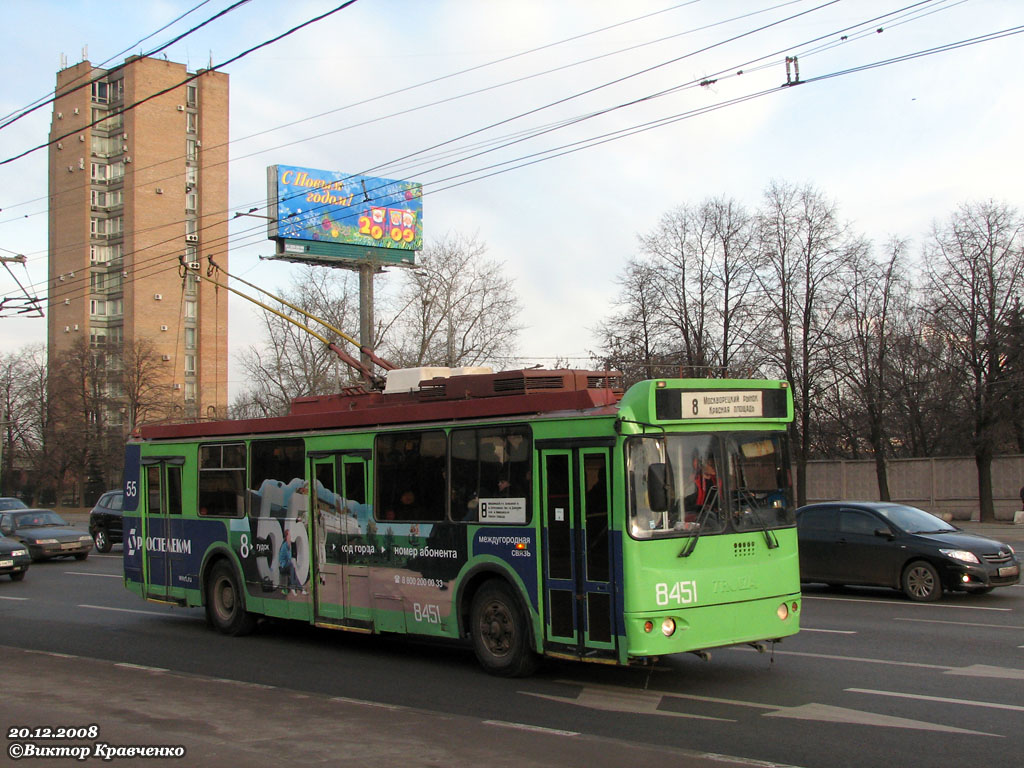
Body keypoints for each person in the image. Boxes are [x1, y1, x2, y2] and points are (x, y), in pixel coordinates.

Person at [278, 528, 306, 595]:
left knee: (293, 571)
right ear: (287, 536)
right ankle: (294, 588)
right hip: (282, 567)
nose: (290, 536)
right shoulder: (285, 546)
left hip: (286, 566)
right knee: (291, 566)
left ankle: (300, 589)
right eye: (289, 535)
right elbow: (287, 559)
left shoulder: (288, 545)